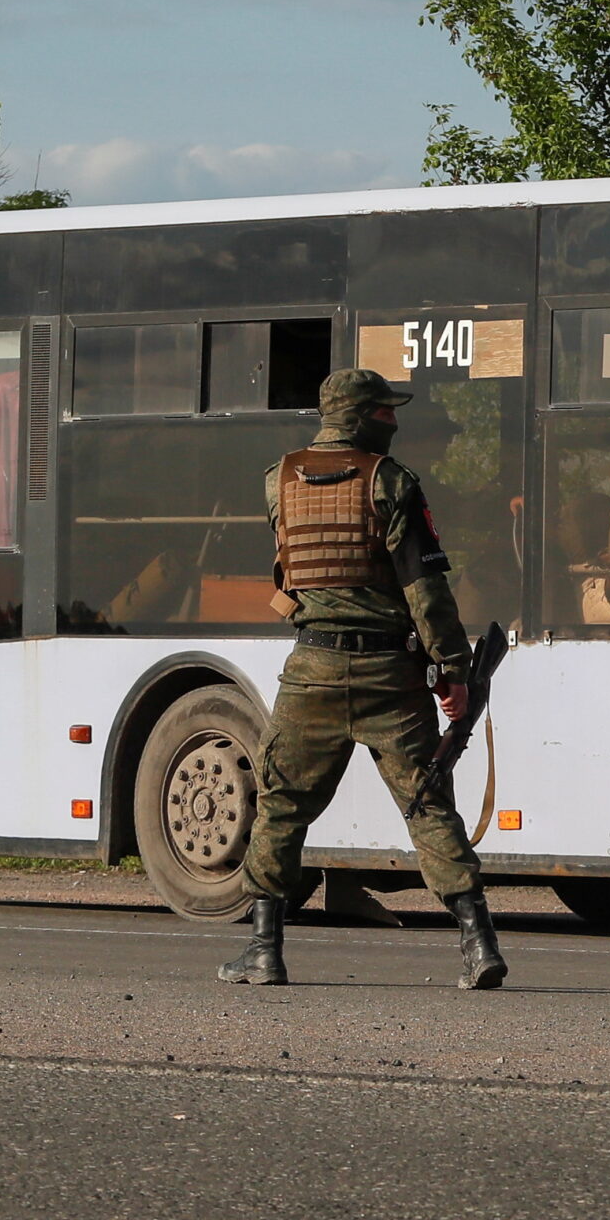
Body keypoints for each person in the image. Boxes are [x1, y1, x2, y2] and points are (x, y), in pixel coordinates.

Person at [218, 367, 508, 992]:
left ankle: (264, 951)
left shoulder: (279, 482)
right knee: (427, 803)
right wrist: (454, 671)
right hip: (390, 673)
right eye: (386, 412)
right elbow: (425, 589)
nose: (396, 422)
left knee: (281, 803)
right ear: (361, 416)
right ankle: (477, 943)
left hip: (312, 670)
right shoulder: (392, 483)